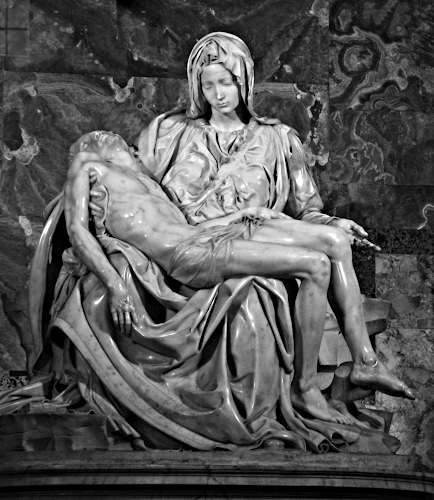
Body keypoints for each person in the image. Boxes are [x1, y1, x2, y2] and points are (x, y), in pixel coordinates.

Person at [1, 32, 413, 454]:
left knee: (332, 239)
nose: (218, 94)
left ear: (244, 81)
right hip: (198, 244)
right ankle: (312, 386)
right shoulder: (168, 132)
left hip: (248, 227)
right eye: (208, 84)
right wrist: (102, 232)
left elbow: (306, 210)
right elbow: (128, 182)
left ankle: (363, 363)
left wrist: (333, 221)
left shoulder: (280, 140)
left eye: (227, 83)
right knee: (274, 284)